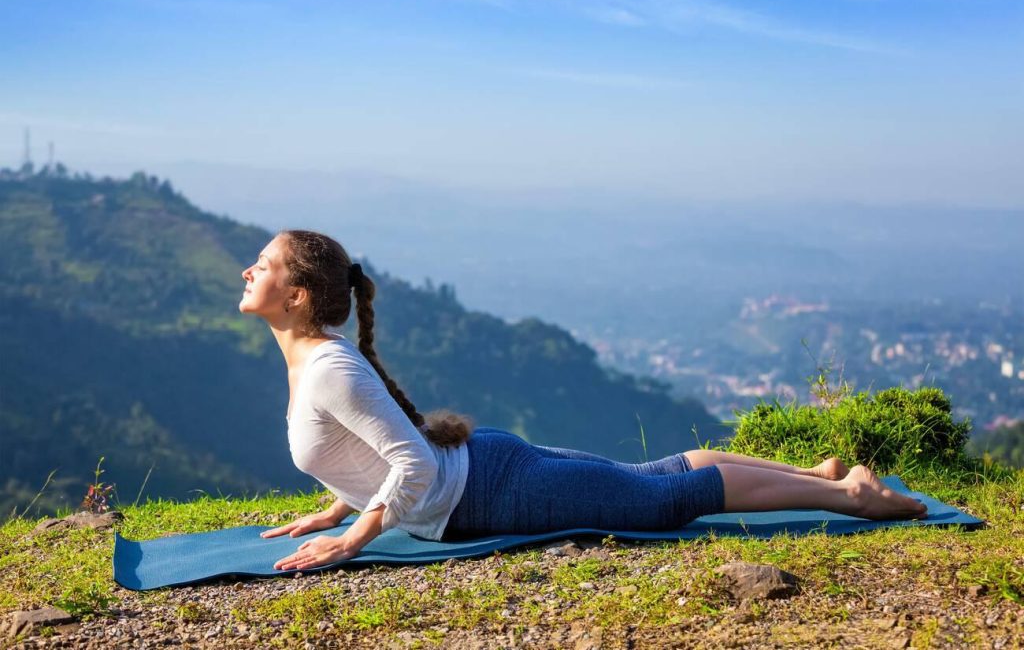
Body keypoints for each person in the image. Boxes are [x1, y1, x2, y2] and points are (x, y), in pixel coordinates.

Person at [241, 230, 928, 572]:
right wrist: (341, 500)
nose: (248, 270)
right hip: (485, 471)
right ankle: (819, 475)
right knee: (651, 478)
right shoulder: (316, 360)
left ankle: (851, 499)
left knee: (662, 501)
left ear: (297, 296)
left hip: (489, 493)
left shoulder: (328, 367)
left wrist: (351, 542)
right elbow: (374, 444)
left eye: (263, 265)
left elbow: (411, 464)